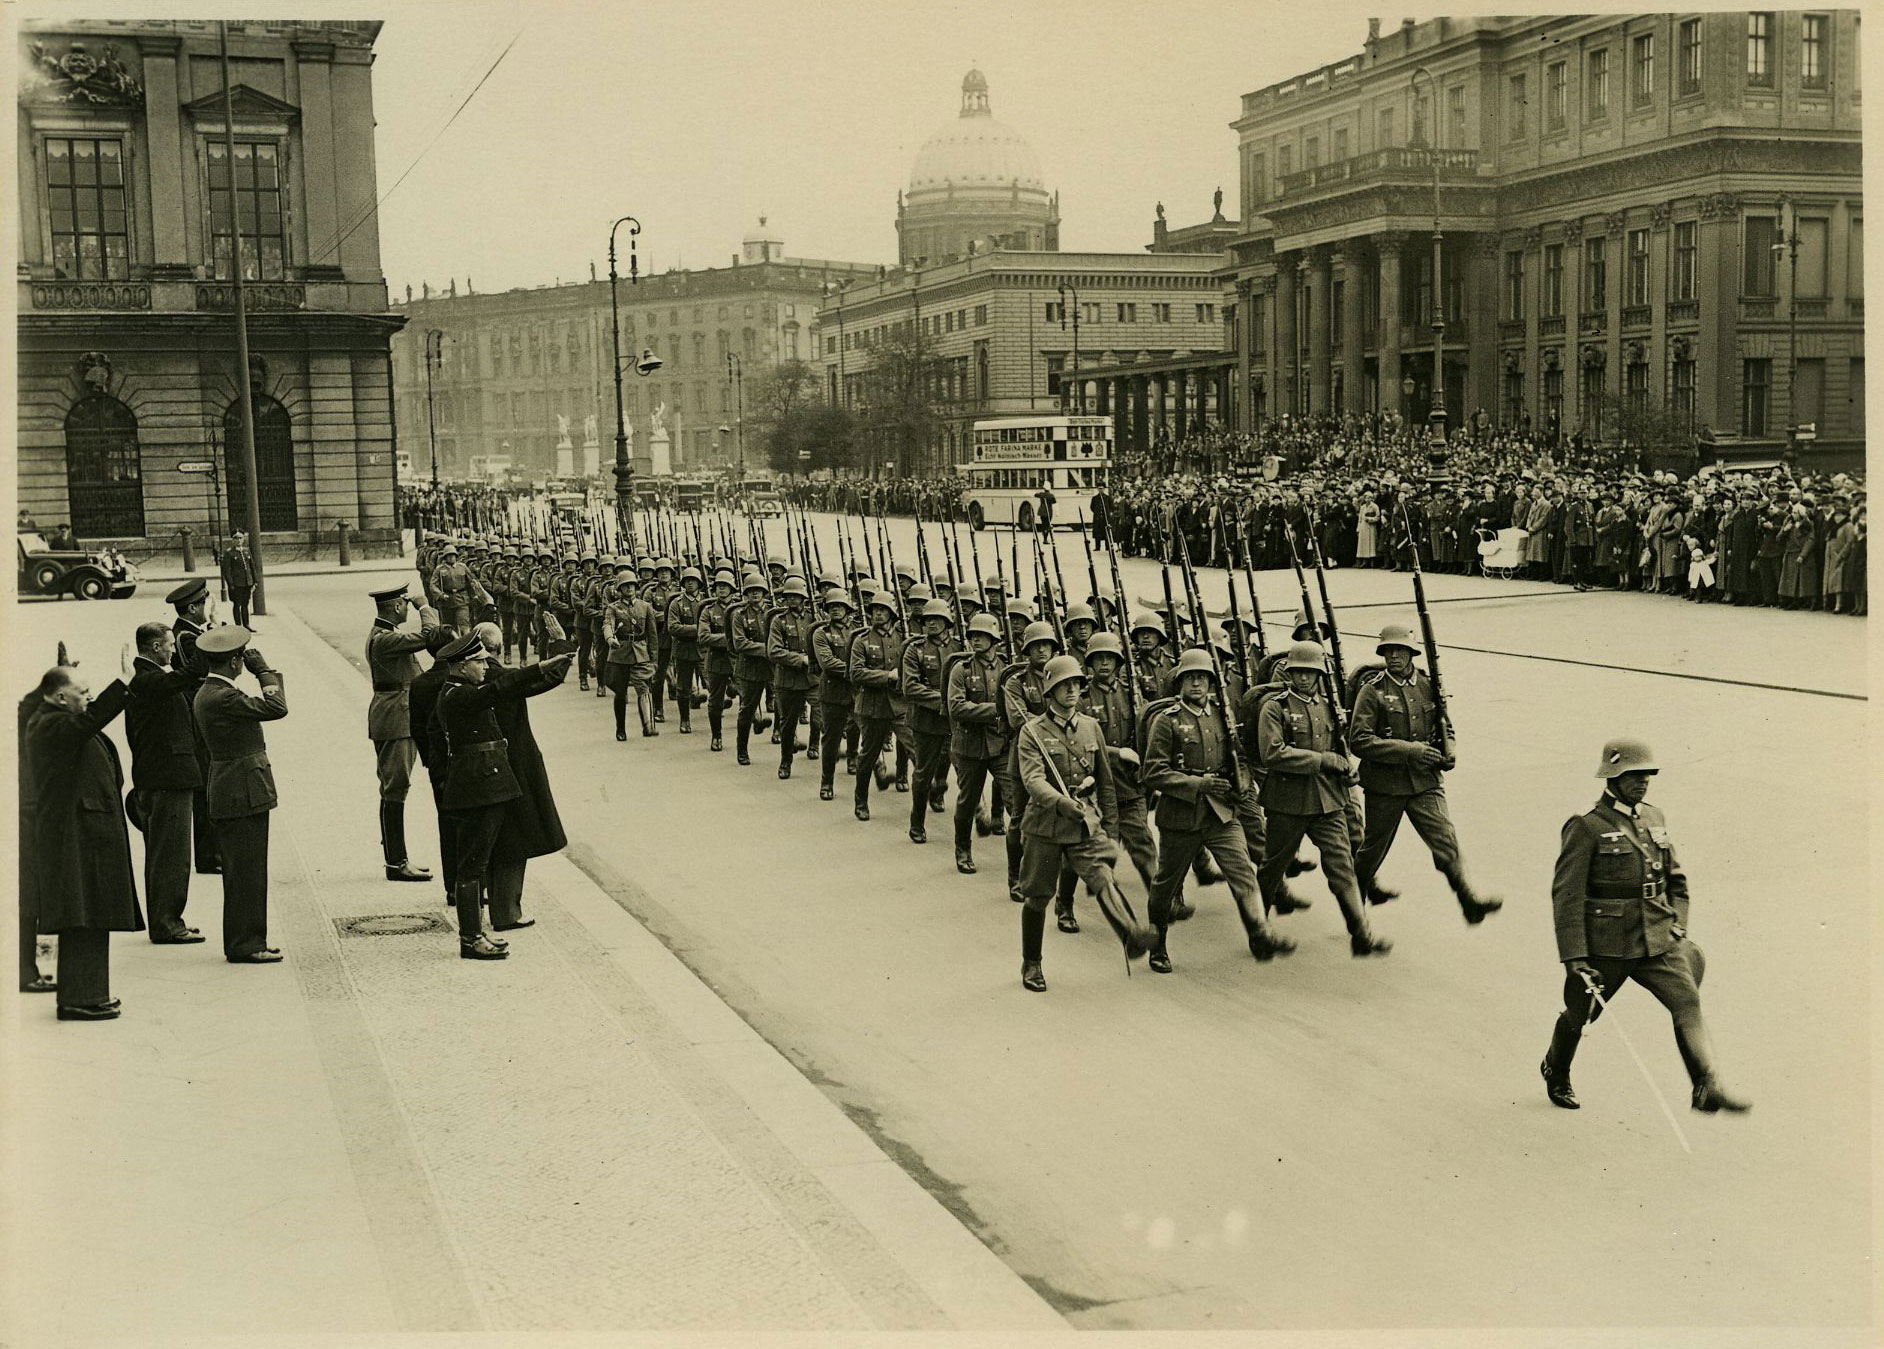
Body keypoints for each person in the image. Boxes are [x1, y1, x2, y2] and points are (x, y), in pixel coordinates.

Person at [1540, 738, 1750, 1114]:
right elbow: (1567, 896)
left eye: (1647, 775)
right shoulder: (1586, 826)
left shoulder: (1655, 817)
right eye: (1633, 775)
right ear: (1613, 776)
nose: (1643, 782)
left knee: (1687, 1002)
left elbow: (1677, 882)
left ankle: (1707, 1087)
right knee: (1580, 1014)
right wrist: (1574, 956)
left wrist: (1677, 927)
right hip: (1608, 945)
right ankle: (1556, 1069)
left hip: (1657, 939)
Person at [1142, 648, 1295, 973]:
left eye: (1202, 677)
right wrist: (1198, 785)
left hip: (1221, 814)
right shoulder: (1166, 721)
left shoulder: (1222, 715)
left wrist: (1239, 782)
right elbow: (1153, 773)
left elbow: (1237, 760)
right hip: (1181, 817)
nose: (1197, 683)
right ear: (1180, 681)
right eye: (1190, 677)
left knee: (1243, 873)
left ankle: (1261, 933)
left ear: (1211, 682)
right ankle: (1158, 943)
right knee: (1166, 885)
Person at [1012, 655, 1154, 992]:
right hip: (1045, 827)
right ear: (1051, 690)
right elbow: (1033, 780)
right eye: (1065, 685)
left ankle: (1130, 934)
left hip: (1085, 825)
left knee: (1103, 876)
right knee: (1037, 897)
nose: (1073, 689)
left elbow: (1106, 782)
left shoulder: (1091, 726)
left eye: (1076, 683)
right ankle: (1031, 963)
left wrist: (1110, 827)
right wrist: (1062, 802)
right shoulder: (1032, 732)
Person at [430, 633, 574, 959]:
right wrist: (541, 667)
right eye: (478, 662)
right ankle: (470, 939)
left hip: (486, 784)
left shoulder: (460, 691)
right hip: (480, 787)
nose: (485, 666)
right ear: (461, 666)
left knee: (477, 862)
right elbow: (498, 689)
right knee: (472, 867)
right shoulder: (458, 696)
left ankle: (477, 933)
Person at [1348, 624, 1502, 924]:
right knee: (1372, 851)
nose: (1393, 656)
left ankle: (1468, 899)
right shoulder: (1373, 690)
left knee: (1446, 839)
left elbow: (1446, 727)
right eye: (1388, 650)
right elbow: (1359, 741)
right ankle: (1355, 908)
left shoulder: (1428, 685)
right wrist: (1411, 751)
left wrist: (1450, 750)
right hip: (1385, 785)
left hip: (1425, 782)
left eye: (1399, 650)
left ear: (1412, 653)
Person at [24, 652, 143, 1019]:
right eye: (83, 692)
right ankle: (78, 998)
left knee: (93, 915)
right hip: (73, 837)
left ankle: (91, 993)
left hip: (86, 834)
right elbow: (87, 725)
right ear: (61, 697)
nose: (88, 697)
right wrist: (122, 685)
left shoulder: (60, 717)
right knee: (81, 917)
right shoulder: (49, 724)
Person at [1253, 641, 1391, 956]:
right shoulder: (1275, 707)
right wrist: (1322, 761)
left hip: (1328, 801)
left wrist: (1345, 770)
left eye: (1310, 672)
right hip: (1287, 802)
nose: (1304, 678)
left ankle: (1362, 934)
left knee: (1342, 867)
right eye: (1298, 672)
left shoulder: (1328, 706)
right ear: (1289, 673)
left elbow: (1338, 745)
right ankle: (1258, 931)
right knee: (1272, 869)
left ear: (1319, 674)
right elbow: (1272, 753)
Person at [192, 625, 287, 964]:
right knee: (246, 871)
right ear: (236, 663)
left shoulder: (209, 691)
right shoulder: (225, 697)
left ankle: (247, 939)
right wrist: (263, 671)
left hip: (235, 787)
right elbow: (276, 706)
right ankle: (246, 943)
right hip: (241, 790)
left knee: (243, 870)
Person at [476, 623, 566, 933]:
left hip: (484, 767)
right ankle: (507, 912)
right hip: (514, 765)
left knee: (493, 836)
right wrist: (559, 643)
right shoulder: (503, 678)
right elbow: (551, 676)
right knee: (516, 839)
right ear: (499, 648)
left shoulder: (467, 677)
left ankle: (494, 902)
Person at [125, 622, 206, 943]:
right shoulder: (148, 680)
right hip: (165, 780)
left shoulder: (151, 680)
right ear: (156, 647)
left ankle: (169, 918)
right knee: (170, 856)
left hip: (165, 778)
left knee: (168, 855)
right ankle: (166, 923)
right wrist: (205, 641)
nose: (174, 649)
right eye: (170, 644)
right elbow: (189, 673)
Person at [366, 582, 442, 882]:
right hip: (396, 717)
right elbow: (429, 635)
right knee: (396, 787)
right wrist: (425, 606)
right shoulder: (385, 639)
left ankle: (396, 858)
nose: (407, 609)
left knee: (394, 786)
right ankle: (396, 862)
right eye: (405, 605)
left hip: (396, 713)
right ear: (397, 607)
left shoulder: (385, 635)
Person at [946, 611, 1009, 875]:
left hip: (999, 744)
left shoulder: (1007, 670)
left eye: (983, 636)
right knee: (968, 801)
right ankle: (963, 849)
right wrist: (995, 710)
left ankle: (1020, 861)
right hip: (969, 745)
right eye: (974, 636)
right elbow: (956, 707)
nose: (977, 640)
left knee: (1015, 800)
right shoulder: (961, 670)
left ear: (994, 640)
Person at [167, 578, 222, 875]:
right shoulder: (187, 636)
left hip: (197, 712)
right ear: (192, 607)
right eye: (203, 604)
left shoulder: (189, 632)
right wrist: (213, 628)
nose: (206, 608)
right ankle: (209, 855)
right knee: (207, 782)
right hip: (197, 715)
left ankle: (211, 853)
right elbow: (201, 668)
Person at [899, 599, 958, 843]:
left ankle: (939, 790)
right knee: (923, 773)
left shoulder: (959, 648)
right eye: (927, 620)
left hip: (954, 722)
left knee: (946, 763)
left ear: (946, 622)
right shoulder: (916, 649)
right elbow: (910, 687)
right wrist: (944, 700)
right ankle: (917, 822)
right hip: (926, 721)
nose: (931, 623)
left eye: (936, 619)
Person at [848, 593, 905, 822]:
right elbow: (856, 673)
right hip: (872, 706)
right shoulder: (862, 640)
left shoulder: (904, 638)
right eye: (874, 610)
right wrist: (888, 676)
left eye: (882, 610)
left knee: (915, 751)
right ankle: (860, 800)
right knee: (868, 756)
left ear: (892, 613)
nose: (878, 613)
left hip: (899, 706)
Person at [766, 578, 815, 779]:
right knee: (788, 725)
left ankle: (815, 745)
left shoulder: (814, 618)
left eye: (796, 596)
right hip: (788, 679)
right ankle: (786, 761)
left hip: (813, 678)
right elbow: (774, 651)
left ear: (803, 597)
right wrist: (799, 659)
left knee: (822, 716)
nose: (792, 599)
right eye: (788, 596)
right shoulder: (779, 620)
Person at [602, 569, 658, 741]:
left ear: (636, 587)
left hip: (640, 653)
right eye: (625, 586)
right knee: (620, 693)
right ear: (619, 589)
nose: (629, 588)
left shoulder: (645, 607)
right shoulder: (613, 608)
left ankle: (648, 726)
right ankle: (621, 729)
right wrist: (610, 638)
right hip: (619, 653)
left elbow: (652, 634)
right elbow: (607, 625)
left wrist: (654, 659)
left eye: (631, 585)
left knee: (644, 689)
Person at [729, 572, 775, 765]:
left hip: (773, 666)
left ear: (764, 592)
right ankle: (742, 750)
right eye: (751, 591)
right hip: (750, 668)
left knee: (782, 704)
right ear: (746, 594)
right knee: (747, 710)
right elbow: (740, 643)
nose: (755, 594)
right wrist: (769, 649)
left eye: (758, 590)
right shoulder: (739, 615)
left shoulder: (773, 613)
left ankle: (782, 736)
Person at [220, 531, 254, 628]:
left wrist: (254, 581)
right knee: (237, 604)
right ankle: (238, 625)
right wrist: (230, 584)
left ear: (243, 539)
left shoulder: (246, 551)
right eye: (236, 538)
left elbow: (252, 567)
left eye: (240, 538)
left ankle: (246, 624)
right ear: (233, 540)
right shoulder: (229, 553)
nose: (238, 540)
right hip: (236, 583)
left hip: (247, 582)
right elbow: (226, 570)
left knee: (245, 604)